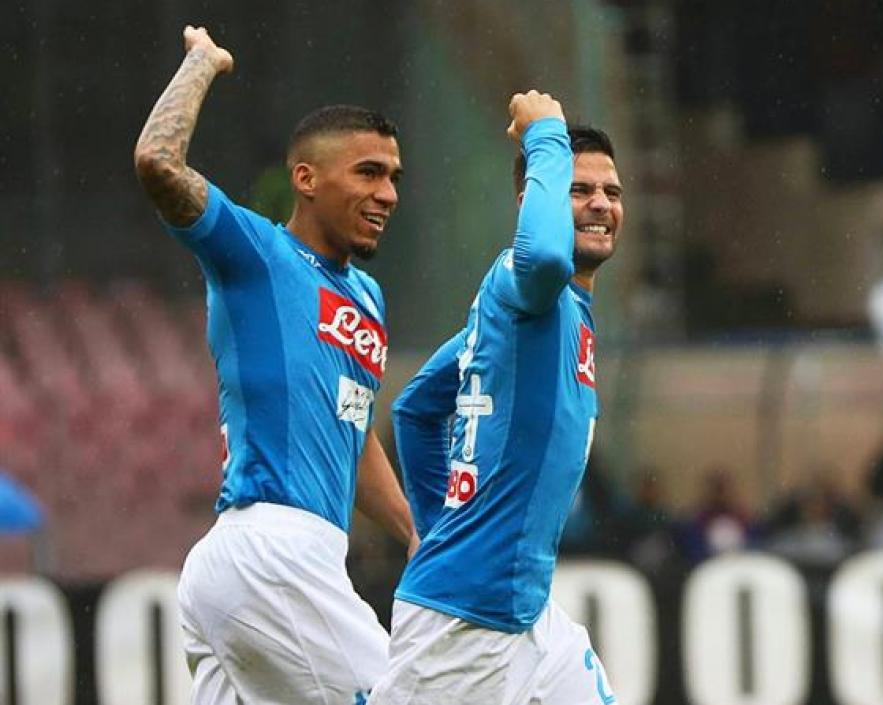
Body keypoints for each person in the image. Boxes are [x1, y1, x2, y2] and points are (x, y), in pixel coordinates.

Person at [133, 26, 417, 705]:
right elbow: (157, 161)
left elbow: (351, 431)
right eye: (368, 173)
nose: (388, 194)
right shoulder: (257, 255)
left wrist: (413, 528)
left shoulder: (367, 296)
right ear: (306, 178)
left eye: (395, 177)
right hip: (272, 550)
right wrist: (202, 64)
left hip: (263, 566)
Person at [373, 91, 622, 705]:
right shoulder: (528, 280)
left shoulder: (526, 320)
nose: (599, 204)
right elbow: (541, 256)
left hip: (530, 617)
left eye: (612, 193)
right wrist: (545, 134)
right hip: (459, 626)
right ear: (532, 201)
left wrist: (432, 527)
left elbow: (418, 407)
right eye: (578, 188)